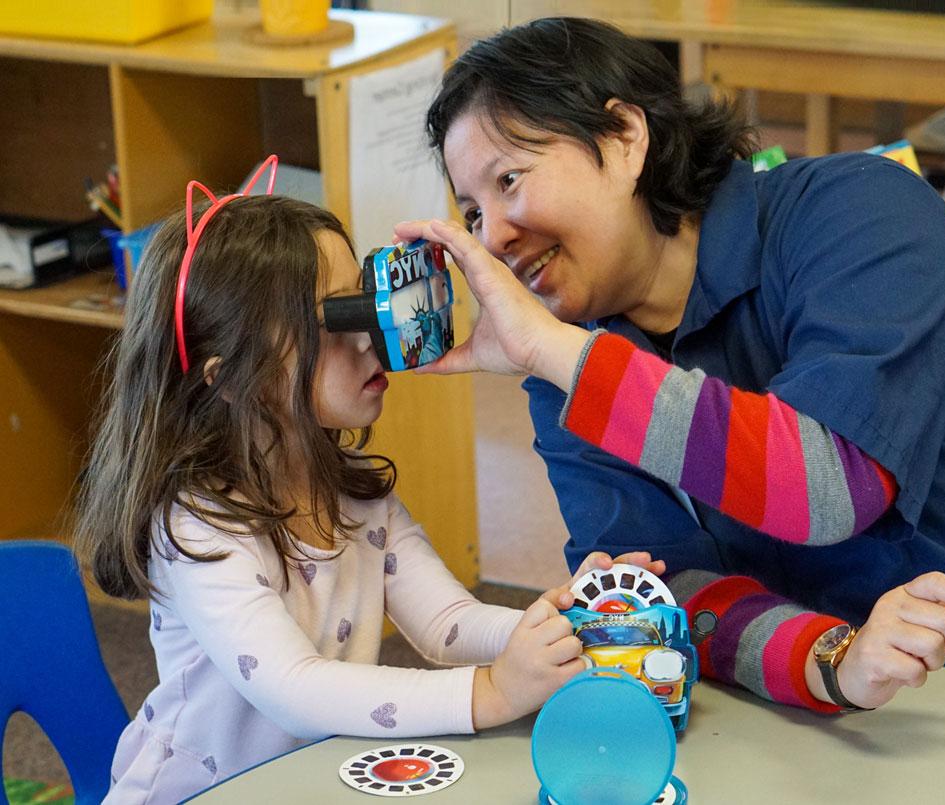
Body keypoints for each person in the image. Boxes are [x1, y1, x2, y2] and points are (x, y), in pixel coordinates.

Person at [394, 17, 945, 713]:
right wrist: (834, 658)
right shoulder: (572, 362)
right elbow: (673, 591)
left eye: (509, 180)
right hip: (849, 718)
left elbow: (827, 483)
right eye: (470, 212)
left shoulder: (862, 212)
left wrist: (559, 354)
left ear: (626, 138)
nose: (491, 236)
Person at [72, 162, 635, 803]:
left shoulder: (356, 491)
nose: (372, 340)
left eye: (365, 305)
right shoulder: (198, 526)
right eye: (334, 323)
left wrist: (552, 630)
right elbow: (296, 688)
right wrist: (491, 691)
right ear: (234, 379)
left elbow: (447, 623)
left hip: (315, 784)